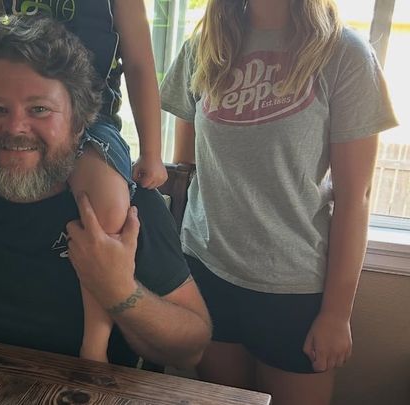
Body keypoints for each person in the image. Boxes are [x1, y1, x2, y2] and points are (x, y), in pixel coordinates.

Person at [0, 16, 211, 369]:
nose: (15, 127)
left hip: (81, 388)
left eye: (40, 110)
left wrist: (120, 290)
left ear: (79, 122)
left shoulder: (128, 204)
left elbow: (190, 349)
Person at [160, 0, 398, 403]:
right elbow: (187, 169)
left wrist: (336, 314)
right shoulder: (204, 46)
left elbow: (355, 198)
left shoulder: (345, 53)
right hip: (207, 273)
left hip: (295, 290)